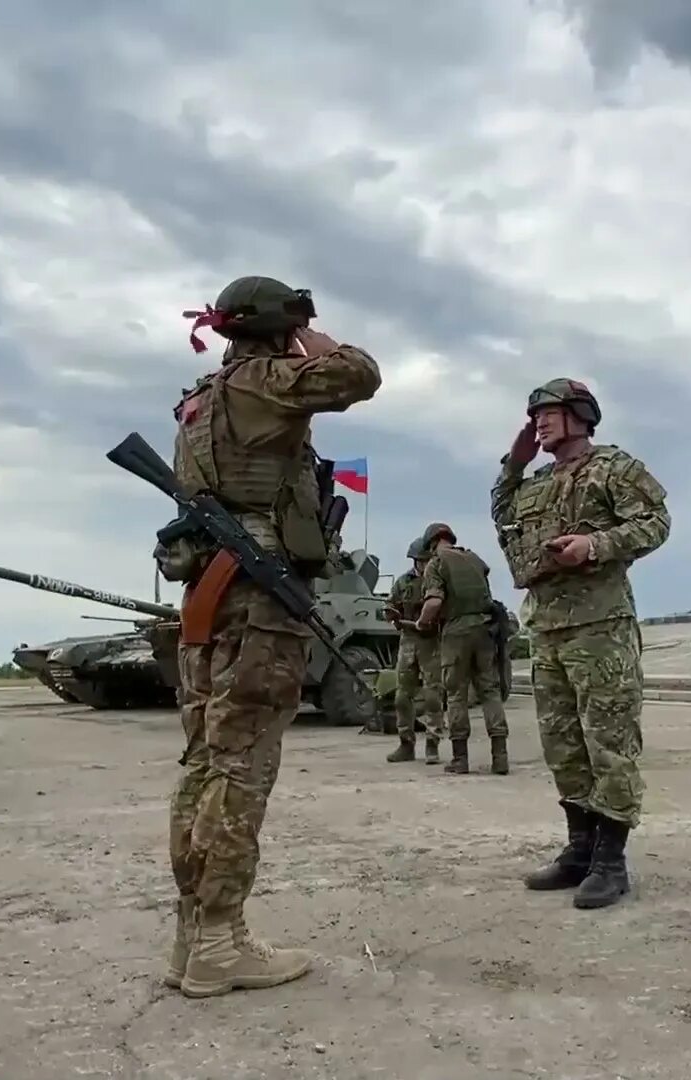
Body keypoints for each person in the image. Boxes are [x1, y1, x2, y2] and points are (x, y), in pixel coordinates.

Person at [159, 275, 379, 997]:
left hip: (209, 596)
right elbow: (359, 376)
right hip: (256, 599)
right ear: (283, 328)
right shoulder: (262, 381)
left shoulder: (198, 400)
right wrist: (323, 343)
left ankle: (193, 938)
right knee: (241, 765)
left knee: (203, 764)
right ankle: (221, 941)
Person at [492, 378, 669, 910]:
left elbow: (656, 521)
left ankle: (611, 862)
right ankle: (579, 850)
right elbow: (503, 515)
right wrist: (514, 464)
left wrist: (595, 544)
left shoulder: (614, 467)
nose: (539, 422)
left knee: (608, 742)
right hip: (546, 626)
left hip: (600, 626)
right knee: (562, 743)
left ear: (581, 416)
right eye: (535, 415)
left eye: (549, 413)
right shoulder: (536, 482)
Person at [415, 523, 510, 776]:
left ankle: (460, 759)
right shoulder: (474, 559)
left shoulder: (436, 563)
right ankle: (500, 758)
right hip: (485, 630)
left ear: (431, 543)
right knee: (490, 691)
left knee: (456, 694)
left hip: (456, 633)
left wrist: (422, 622)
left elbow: (434, 601)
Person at [383, 535, 445, 764]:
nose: (422, 565)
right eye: (418, 561)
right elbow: (391, 603)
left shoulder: (439, 581)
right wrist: (391, 613)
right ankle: (406, 743)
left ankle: (432, 744)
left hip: (432, 642)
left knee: (432, 696)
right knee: (402, 696)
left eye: (426, 560)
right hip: (408, 641)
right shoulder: (403, 582)